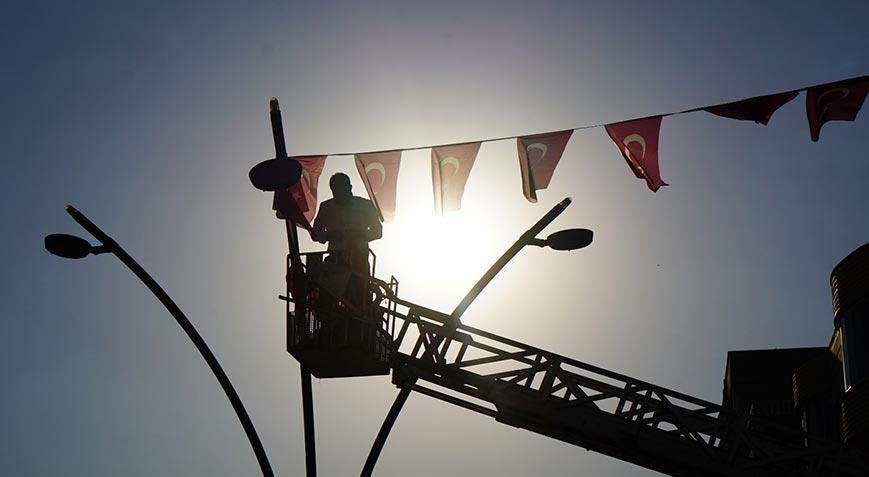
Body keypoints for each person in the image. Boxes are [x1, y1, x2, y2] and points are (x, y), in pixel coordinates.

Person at [310, 173, 382, 306]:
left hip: (359, 257)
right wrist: (329, 235)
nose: (339, 193)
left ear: (349, 187)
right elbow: (316, 233)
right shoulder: (326, 207)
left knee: (361, 299)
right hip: (336, 258)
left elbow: (378, 232)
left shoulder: (365, 205)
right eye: (336, 190)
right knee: (329, 298)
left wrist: (361, 234)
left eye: (342, 189)